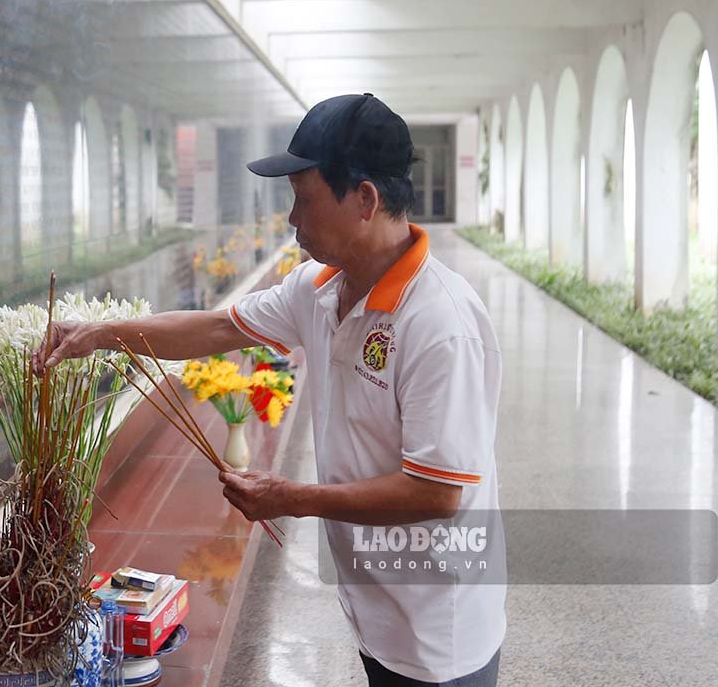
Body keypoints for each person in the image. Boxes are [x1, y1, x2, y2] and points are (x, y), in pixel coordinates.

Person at [36, 94, 504, 686]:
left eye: (304, 200)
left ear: (365, 199)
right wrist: (102, 334)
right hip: (375, 608)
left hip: (441, 625)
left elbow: (436, 493)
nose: (292, 220)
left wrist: (288, 496)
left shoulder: (441, 324)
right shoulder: (319, 287)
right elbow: (215, 327)